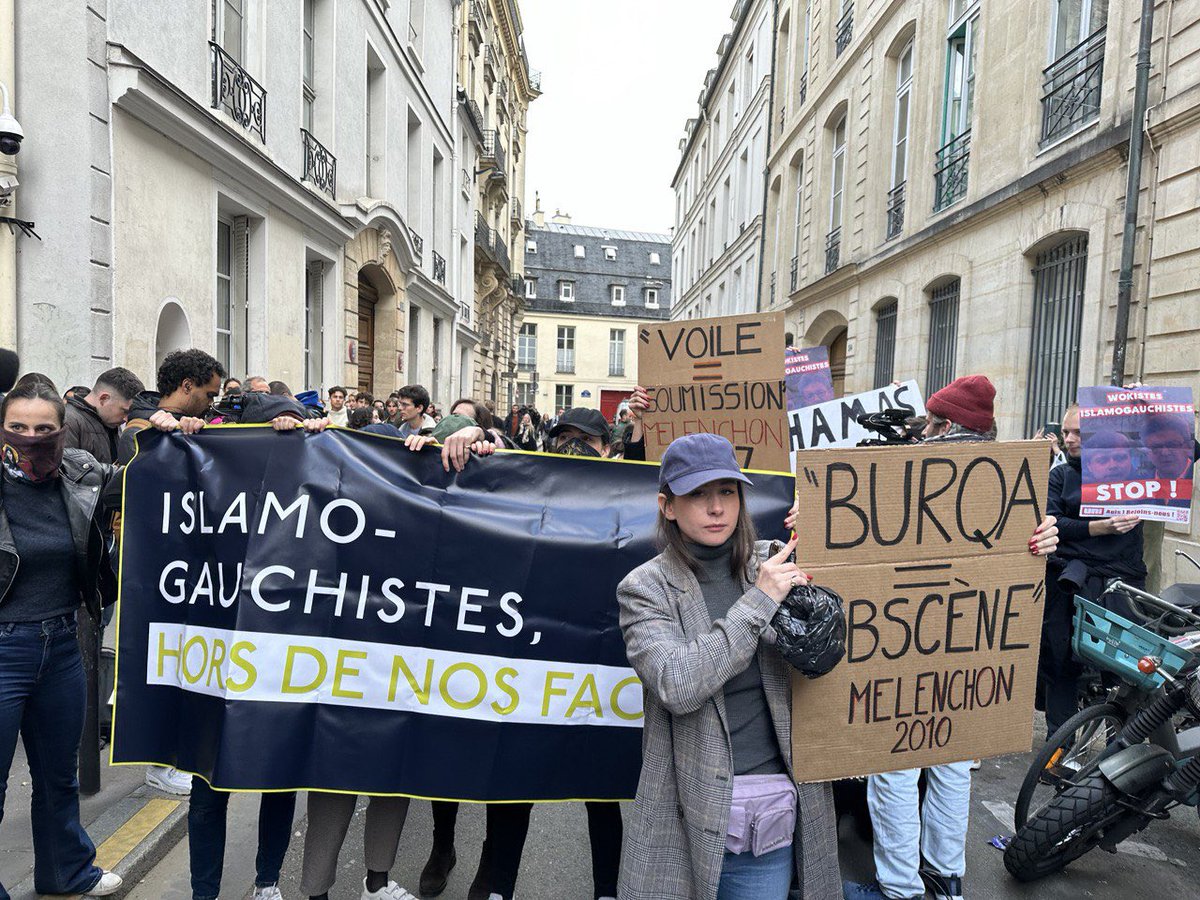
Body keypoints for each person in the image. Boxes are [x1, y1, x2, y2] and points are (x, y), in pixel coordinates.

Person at [847, 374, 1060, 900]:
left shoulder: (905, 473)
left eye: (929, 422)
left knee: (896, 764)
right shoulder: (1008, 482)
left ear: (943, 424)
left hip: (905, 645)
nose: (922, 431)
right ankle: (945, 882)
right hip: (960, 646)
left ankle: (901, 888)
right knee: (950, 763)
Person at [616, 432, 840, 900]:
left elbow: (837, 636)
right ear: (668, 506)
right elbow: (676, 683)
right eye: (697, 494)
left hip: (769, 814)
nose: (716, 508)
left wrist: (827, 530)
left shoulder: (773, 562)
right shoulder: (645, 588)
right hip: (686, 807)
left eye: (726, 492)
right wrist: (759, 601)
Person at [0, 378, 180, 898]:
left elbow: (141, 479)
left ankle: (66, 872)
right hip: (4, 647)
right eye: (17, 428)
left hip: (61, 645)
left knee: (59, 776)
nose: (30, 438)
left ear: (62, 432)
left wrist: (167, 432)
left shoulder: (78, 473)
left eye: (43, 429)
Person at [1037, 404, 1146, 737]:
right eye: (1066, 432)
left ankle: (1125, 746)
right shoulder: (1061, 474)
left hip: (1119, 582)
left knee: (1123, 666)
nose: (1068, 439)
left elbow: (1188, 450)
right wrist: (1101, 528)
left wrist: (1147, 410)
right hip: (1068, 579)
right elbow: (1052, 521)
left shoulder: (1134, 471)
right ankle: (1059, 746)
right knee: (1060, 661)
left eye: (1078, 433)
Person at [62, 367, 145, 464]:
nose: (126, 419)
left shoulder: (111, 422)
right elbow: (68, 472)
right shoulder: (68, 420)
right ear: (104, 399)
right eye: (124, 411)